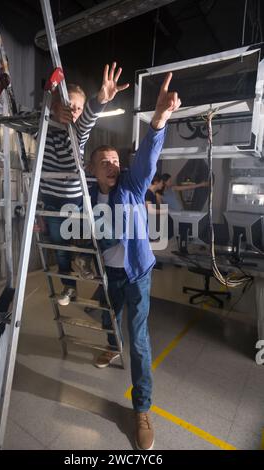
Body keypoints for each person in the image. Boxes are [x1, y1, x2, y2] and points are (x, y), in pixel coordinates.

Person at [89, 72, 181, 450]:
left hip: (137, 273)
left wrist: (157, 122)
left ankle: (141, 410)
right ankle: (112, 345)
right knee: (104, 313)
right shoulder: (89, 195)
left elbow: (146, 160)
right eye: (104, 162)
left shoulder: (131, 183)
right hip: (108, 274)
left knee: (139, 341)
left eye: (115, 160)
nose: (112, 165)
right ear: (93, 170)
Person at [40, 63, 129, 306]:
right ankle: (69, 288)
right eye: (70, 107)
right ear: (56, 107)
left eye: (79, 108)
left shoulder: (77, 134)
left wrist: (100, 99)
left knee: (109, 232)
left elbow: (88, 119)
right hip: (53, 204)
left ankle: (86, 257)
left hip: (78, 201)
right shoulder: (44, 131)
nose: (76, 112)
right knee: (60, 249)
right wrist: (51, 112)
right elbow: (40, 117)